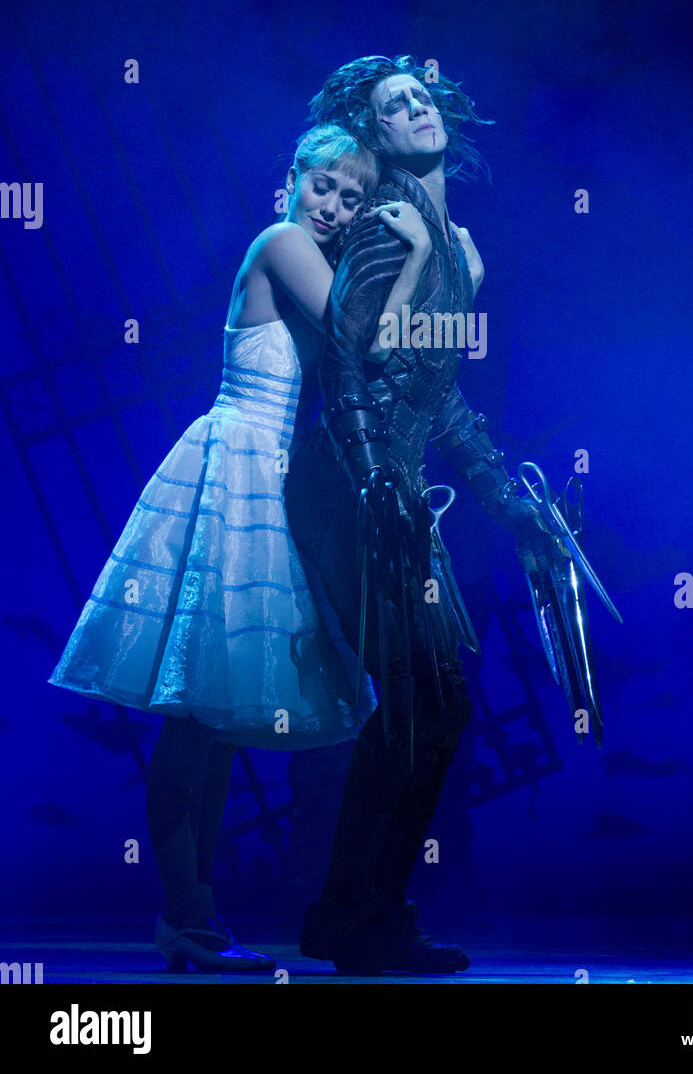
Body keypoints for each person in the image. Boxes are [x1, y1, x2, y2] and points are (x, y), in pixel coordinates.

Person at [48, 123, 442, 974]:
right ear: (290, 179)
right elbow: (362, 332)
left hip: (274, 476)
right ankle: (183, 918)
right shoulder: (283, 241)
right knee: (197, 717)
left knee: (212, 723)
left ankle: (193, 921)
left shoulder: (313, 251)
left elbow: (377, 354)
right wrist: (412, 262)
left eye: (350, 196)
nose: (332, 206)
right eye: (323, 185)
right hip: (234, 467)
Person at [283, 56, 549, 976]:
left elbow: (440, 398)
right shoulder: (392, 231)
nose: (414, 106)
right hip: (352, 486)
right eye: (393, 105)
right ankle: (354, 915)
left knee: (432, 708)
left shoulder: (447, 237)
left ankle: (361, 913)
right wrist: (372, 482)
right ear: (375, 134)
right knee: (422, 705)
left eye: (422, 94)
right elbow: (345, 362)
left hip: (390, 490)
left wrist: (508, 504)